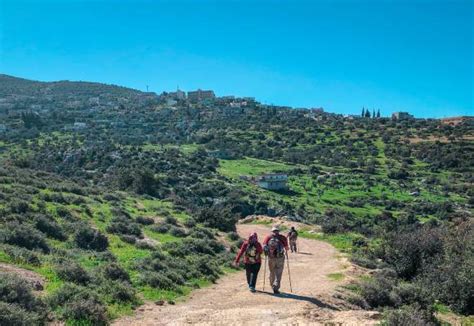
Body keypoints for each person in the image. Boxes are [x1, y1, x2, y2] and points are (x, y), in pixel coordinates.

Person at [263, 226, 289, 294]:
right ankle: (276, 287)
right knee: (279, 273)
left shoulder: (268, 237)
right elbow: (286, 248)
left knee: (272, 272)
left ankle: (272, 285)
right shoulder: (283, 237)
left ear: (272, 231)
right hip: (280, 258)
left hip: (271, 258)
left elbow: (264, 246)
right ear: (278, 231)